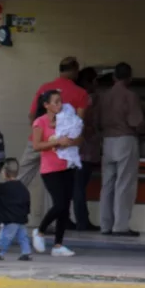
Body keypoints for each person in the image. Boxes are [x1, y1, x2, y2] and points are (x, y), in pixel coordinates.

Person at [20, 57, 90, 189]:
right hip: (61, 143)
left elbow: (31, 115)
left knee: (22, 177)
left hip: (38, 139)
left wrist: (40, 131)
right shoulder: (81, 93)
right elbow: (79, 124)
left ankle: (6, 206)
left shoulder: (45, 88)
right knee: (56, 186)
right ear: (75, 71)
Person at [96, 62, 145, 236]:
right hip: (125, 139)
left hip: (107, 140)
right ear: (130, 78)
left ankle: (105, 225)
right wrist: (143, 130)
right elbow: (136, 122)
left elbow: (96, 120)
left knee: (107, 184)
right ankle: (120, 226)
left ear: (114, 77)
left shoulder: (104, 96)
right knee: (124, 183)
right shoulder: (130, 95)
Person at [31, 90, 81, 257]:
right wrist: (58, 141)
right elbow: (37, 145)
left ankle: (58, 244)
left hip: (67, 166)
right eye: (56, 102)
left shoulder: (66, 119)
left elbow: (80, 137)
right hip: (50, 169)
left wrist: (70, 140)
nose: (60, 105)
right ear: (47, 105)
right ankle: (40, 230)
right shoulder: (40, 122)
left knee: (65, 207)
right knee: (59, 203)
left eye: (61, 101)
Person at [0, 158, 32, 262]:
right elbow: (27, 203)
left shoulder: (3, 188)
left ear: (5, 173)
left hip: (11, 219)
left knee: (5, 237)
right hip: (21, 217)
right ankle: (26, 252)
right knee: (22, 236)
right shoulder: (23, 188)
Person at [73, 67, 101, 231]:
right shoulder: (89, 100)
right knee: (80, 187)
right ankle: (83, 221)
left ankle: (80, 219)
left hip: (81, 148)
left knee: (78, 186)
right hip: (86, 148)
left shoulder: (81, 98)